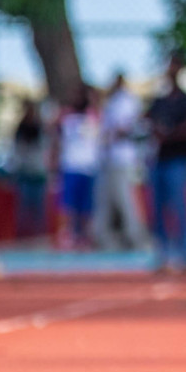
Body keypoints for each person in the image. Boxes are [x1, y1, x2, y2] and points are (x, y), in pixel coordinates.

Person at [146, 53, 186, 273]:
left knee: (179, 208)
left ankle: (185, 256)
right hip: (159, 161)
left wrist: (169, 135)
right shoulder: (158, 101)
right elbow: (148, 123)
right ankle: (163, 256)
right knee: (158, 210)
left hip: (178, 160)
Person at [94, 72, 150, 251]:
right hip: (108, 158)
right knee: (105, 200)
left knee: (125, 200)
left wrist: (112, 136)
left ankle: (136, 238)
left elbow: (127, 127)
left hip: (123, 159)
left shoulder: (127, 101)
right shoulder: (111, 102)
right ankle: (105, 239)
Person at [55, 85, 102, 249]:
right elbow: (55, 135)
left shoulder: (94, 115)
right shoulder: (65, 116)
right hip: (71, 165)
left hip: (89, 167)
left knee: (87, 206)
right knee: (68, 204)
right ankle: (67, 236)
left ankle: (85, 236)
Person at [12, 100, 51, 238]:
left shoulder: (39, 128)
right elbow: (17, 151)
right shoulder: (20, 129)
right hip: (25, 173)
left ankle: (38, 234)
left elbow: (45, 148)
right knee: (24, 207)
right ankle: (23, 235)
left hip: (38, 173)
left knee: (39, 209)